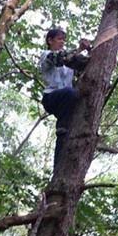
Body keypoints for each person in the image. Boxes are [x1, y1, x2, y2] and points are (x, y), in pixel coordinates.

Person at [39, 28, 91, 168]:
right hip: (52, 97)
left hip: (66, 101)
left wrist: (91, 50)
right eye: (59, 39)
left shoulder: (69, 63)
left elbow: (84, 64)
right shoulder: (47, 55)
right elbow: (59, 59)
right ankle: (62, 128)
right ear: (50, 41)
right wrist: (79, 49)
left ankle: (59, 166)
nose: (62, 42)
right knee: (70, 92)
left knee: (65, 131)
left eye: (63, 39)